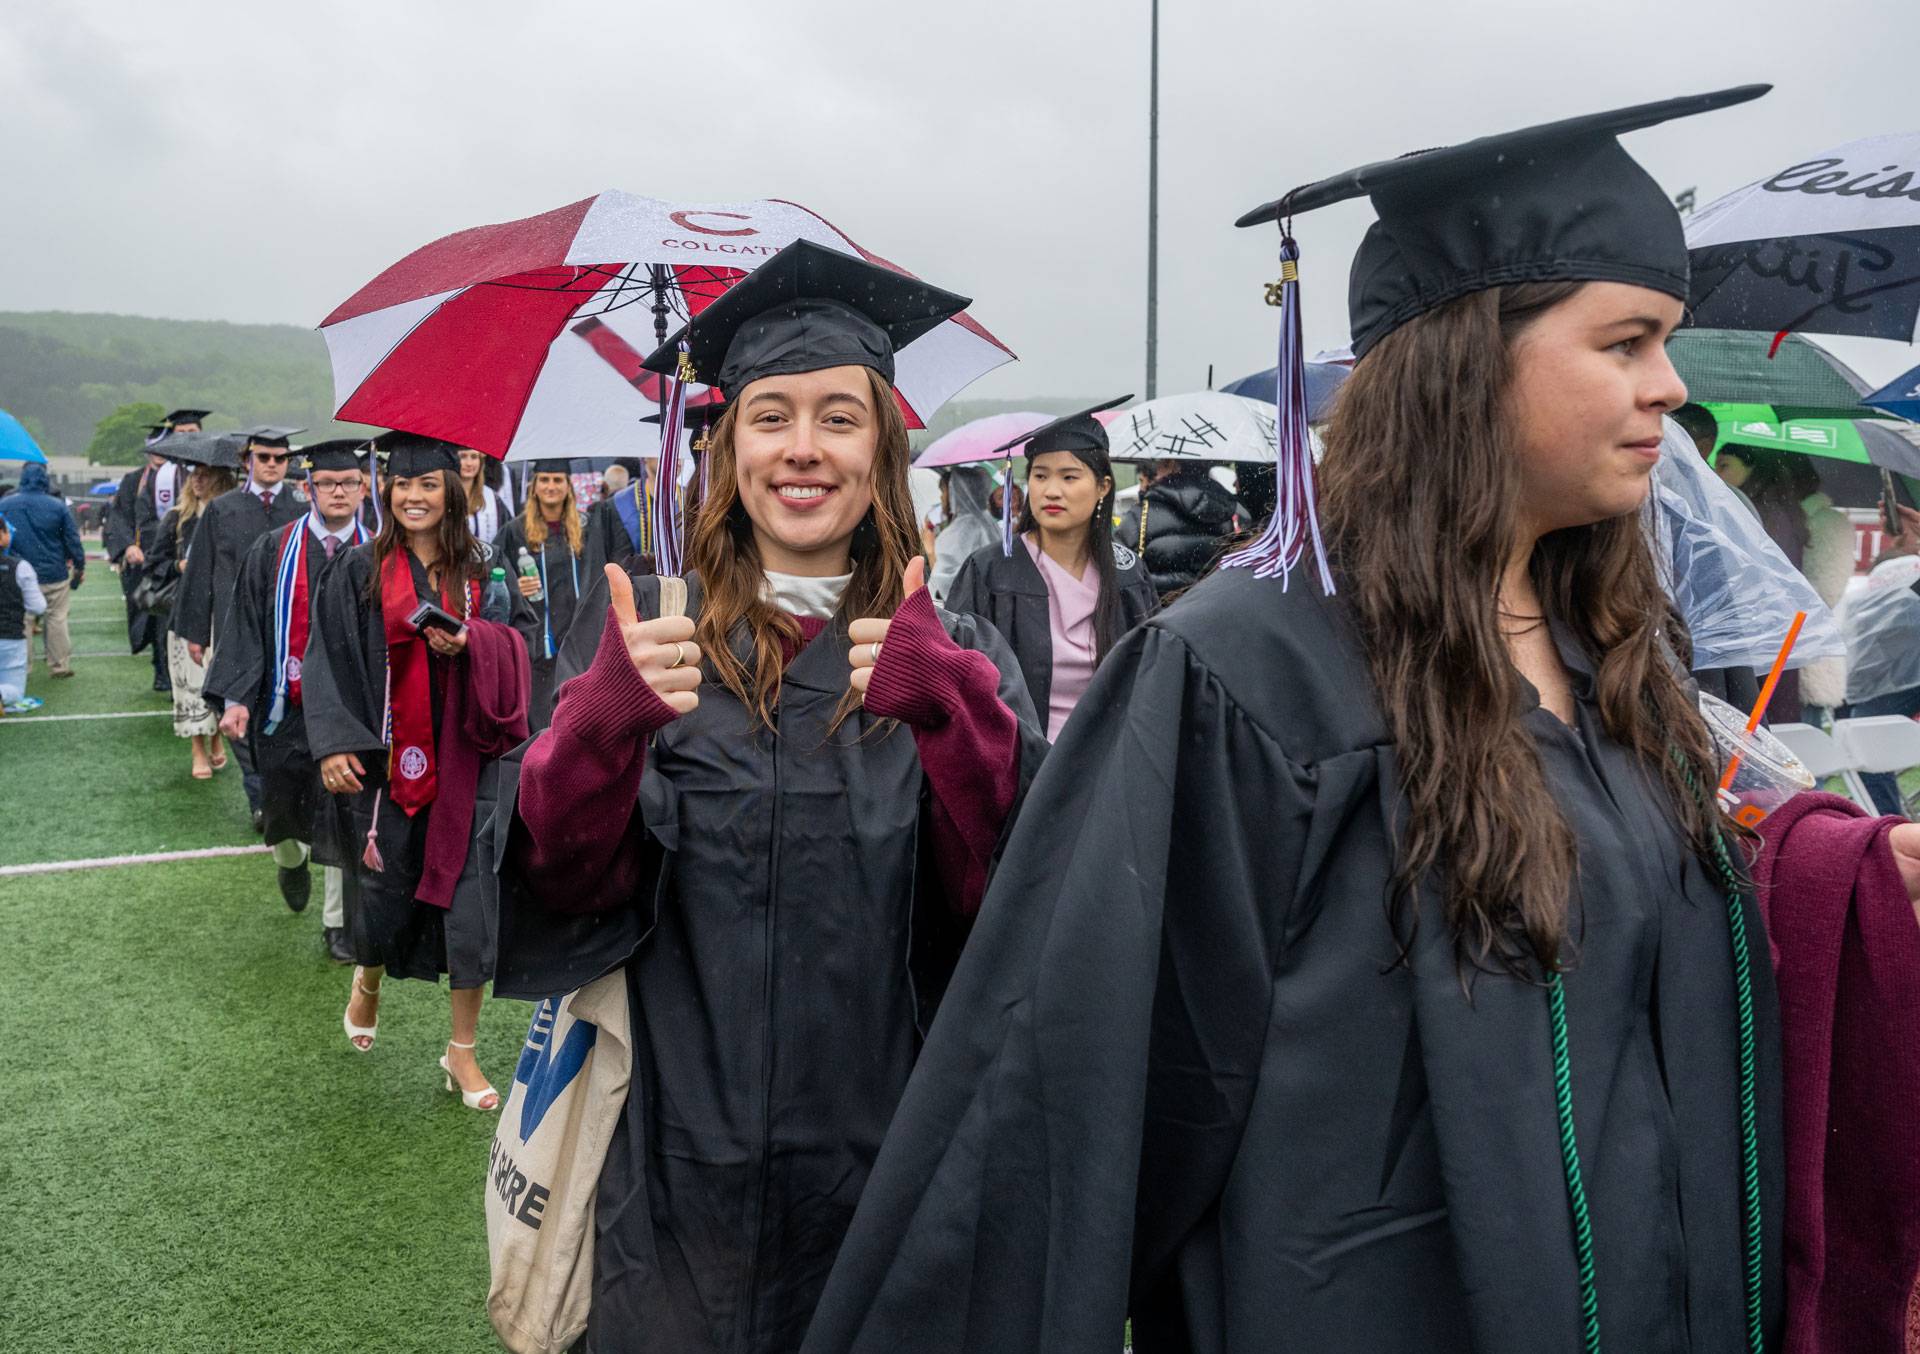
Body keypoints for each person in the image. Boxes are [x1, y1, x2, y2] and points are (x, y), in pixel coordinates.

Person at [806, 87, 1920, 1354]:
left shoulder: (1614, 653)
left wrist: (1827, 877)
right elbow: (1049, 1105)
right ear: (1471, 359)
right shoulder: (1245, 675)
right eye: (1624, 342)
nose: (1669, 386)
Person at [494, 239, 1045, 1354]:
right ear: (726, 444)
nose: (804, 449)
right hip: (670, 1177)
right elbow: (564, 878)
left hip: (889, 1166)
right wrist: (602, 725)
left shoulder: (956, 648)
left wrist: (954, 716)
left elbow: (1008, 905)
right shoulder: (655, 641)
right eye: (771, 415)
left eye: (840, 417)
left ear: (885, 449)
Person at [300, 433, 528, 1109]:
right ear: (387, 491)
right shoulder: (360, 570)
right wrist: (334, 740)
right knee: (385, 898)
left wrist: (474, 641)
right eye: (402, 485)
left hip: (468, 766)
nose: (413, 497)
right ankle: (368, 978)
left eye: (428, 485)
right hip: (386, 767)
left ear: (451, 492)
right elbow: (328, 652)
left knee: (471, 912)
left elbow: (518, 642)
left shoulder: (482, 571)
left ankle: (462, 1051)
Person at [206, 441, 373, 949]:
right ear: (308, 489)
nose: (338, 491)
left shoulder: (381, 551)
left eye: (348, 482)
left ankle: (338, 925)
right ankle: (290, 860)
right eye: (327, 483)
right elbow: (246, 626)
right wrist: (234, 697)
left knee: (345, 818)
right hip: (285, 708)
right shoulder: (274, 548)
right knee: (282, 818)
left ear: (364, 489)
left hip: (350, 714)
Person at [945, 402, 1158, 740]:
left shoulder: (1127, 574)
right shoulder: (990, 571)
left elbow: (1150, 682)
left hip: (1106, 765)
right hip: (1018, 768)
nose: (1051, 490)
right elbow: (957, 681)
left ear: (1103, 487)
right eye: (1040, 475)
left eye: (1069, 476)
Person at [175, 428, 309, 829]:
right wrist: (196, 631)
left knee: (287, 716)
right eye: (263, 457)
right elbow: (200, 572)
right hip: (235, 630)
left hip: (291, 630)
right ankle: (261, 798)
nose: (271, 465)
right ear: (247, 459)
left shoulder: (302, 507)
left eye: (279, 458)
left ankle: (288, 795)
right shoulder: (222, 509)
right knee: (237, 713)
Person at [148, 461, 238, 778]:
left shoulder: (232, 516)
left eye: (205, 474)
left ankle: (216, 740)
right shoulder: (177, 518)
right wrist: (180, 566)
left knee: (219, 682)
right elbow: (154, 562)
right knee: (189, 685)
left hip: (224, 613)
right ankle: (197, 748)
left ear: (221, 478)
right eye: (193, 474)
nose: (197, 480)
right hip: (187, 612)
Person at [107, 408, 204, 691]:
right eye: (180, 433)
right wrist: (128, 546)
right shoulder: (140, 480)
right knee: (159, 619)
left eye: (192, 433)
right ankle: (164, 672)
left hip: (198, 558)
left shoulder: (208, 471)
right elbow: (122, 517)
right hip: (158, 559)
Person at [492, 459, 588, 732]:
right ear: (534, 487)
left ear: (569, 486)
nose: (551, 486)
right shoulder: (514, 531)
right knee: (542, 713)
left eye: (558, 480)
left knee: (575, 711)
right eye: (544, 480)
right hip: (539, 639)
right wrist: (515, 589)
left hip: (576, 634)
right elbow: (495, 575)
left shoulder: (586, 526)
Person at [1837, 505, 1920, 815]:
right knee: (1865, 742)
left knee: (1865, 743)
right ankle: (1887, 825)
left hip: (1888, 686)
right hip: (1889, 685)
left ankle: (1885, 822)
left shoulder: (1869, 594)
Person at [0, 462, 85, 682]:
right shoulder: (57, 506)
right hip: (53, 571)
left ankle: (23, 667)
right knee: (57, 618)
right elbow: (71, 539)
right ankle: (59, 664)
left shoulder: (6, 503)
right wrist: (79, 565)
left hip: (17, 571)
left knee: (24, 620)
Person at [1115, 457, 1243, 602]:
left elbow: (1120, 572)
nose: (1156, 471)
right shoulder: (1224, 514)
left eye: (1159, 465)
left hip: (1157, 616)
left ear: (1171, 464)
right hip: (1211, 611)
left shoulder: (1142, 514)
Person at [926, 464, 996, 602]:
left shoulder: (964, 528)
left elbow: (946, 588)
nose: (941, 498)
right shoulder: (987, 521)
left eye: (943, 492)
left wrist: (930, 550)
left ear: (955, 493)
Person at [0, 514, 48, 713]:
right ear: (2, 536)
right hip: (11, 638)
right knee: (15, 694)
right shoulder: (20, 567)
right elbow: (38, 607)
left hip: (11, 638)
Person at [456, 447, 510, 548]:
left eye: (474, 457)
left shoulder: (493, 499)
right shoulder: (442, 496)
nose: (469, 463)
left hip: (487, 562)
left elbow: (505, 537)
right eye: (463, 457)